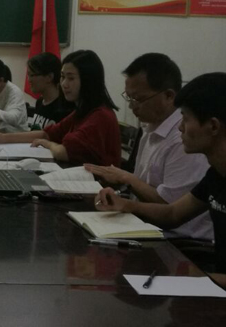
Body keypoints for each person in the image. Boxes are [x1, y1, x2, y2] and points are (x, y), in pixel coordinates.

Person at [95, 73, 226, 286]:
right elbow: (173, 213)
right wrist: (126, 205)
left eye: (186, 119)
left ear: (213, 126)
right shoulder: (217, 174)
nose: (180, 127)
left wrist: (196, 280)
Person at [85, 53, 212, 240]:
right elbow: (159, 202)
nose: (132, 106)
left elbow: (169, 208)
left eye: (138, 99)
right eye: (129, 98)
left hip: (177, 241)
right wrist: (121, 198)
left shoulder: (185, 141)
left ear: (169, 96)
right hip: (145, 225)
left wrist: (126, 179)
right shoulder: (151, 127)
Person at [0, 50, 121, 166]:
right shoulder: (82, 111)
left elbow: (64, 152)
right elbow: (47, 133)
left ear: (88, 80)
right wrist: (3, 138)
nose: (64, 84)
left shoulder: (100, 115)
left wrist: (48, 144)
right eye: (62, 77)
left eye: (71, 78)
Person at [26, 52, 74, 129]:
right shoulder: (39, 102)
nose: (29, 80)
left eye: (32, 75)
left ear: (49, 77)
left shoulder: (64, 108)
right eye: (28, 75)